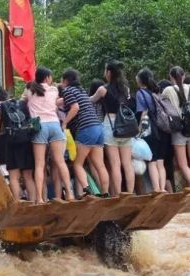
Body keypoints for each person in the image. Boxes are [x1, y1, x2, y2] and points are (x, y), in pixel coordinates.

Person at [26, 67, 74, 204]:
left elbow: (24, 98)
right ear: (47, 78)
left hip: (39, 126)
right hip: (54, 125)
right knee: (60, 162)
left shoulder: (30, 91)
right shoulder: (53, 90)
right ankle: (70, 194)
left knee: (40, 165)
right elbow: (56, 96)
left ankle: (40, 199)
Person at [90, 60, 135, 195]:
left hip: (111, 124)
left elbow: (90, 100)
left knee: (115, 165)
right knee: (127, 164)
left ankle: (118, 194)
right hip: (126, 124)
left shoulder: (103, 89)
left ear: (109, 72)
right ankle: (130, 193)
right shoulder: (126, 88)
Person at [62, 69, 109, 197]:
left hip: (86, 128)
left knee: (77, 164)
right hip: (98, 128)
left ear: (65, 80)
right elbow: (64, 102)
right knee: (99, 165)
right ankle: (105, 193)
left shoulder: (67, 90)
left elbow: (75, 107)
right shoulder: (81, 90)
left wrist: (65, 122)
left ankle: (87, 190)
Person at [0, 85, 36, 202]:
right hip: (26, 140)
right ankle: (34, 203)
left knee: (14, 177)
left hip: (12, 142)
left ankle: (18, 203)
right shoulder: (21, 103)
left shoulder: (1, 105)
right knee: (28, 176)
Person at [136, 68, 167, 192]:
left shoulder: (141, 93)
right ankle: (163, 189)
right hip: (160, 129)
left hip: (149, 130)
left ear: (140, 80)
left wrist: (139, 131)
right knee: (160, 161)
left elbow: (143, 112)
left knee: (152, 161)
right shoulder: (154, 92)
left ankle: (156, 189)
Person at [162, 66, 190, 186]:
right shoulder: (189, 87)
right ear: (184, 76)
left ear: (171, 77)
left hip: (178, 129)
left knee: (183, 164)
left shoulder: (168, 90)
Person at [158, 79, 175, 192]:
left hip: (162, 138)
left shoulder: (160, 102)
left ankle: (169, 193)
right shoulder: (171, 103)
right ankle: (172, 191)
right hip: (171, 138)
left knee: (164, 167)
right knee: (169, 167)